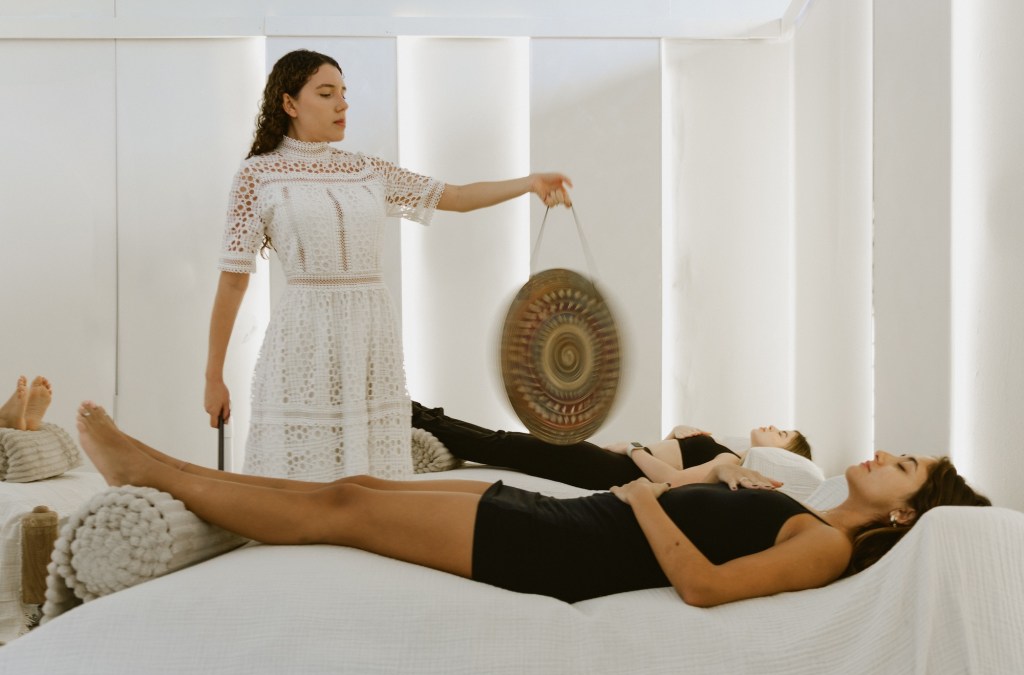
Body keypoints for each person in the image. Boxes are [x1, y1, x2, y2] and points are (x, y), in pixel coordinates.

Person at [76, 399, 990, 605]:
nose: (880, 456)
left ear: (905, 515)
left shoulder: (826, 547)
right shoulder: (800, 505)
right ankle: (161, 466)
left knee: (345, 507)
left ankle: (151, 470)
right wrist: (706, 480)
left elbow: (707, 589)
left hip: (564, 550)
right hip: (562, 524)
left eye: (902, 465)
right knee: (354, 491)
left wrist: (641, 504)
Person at [204, 49, 573, 482]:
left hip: (370, 333)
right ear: (289, 104)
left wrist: (529, 183)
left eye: (344, 93)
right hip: (302, 337)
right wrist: (214, 377)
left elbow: (454, 197)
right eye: (326, 94)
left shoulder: (366, 170)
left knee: (372, 480)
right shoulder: (257, 176)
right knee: (302, 477)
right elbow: (232, 283)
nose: (342, 104)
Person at [412, 401, 812, 490]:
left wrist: (633, 448)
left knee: (508, 445)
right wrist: (679, 430)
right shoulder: (724, 446)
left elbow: (672, 480)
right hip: (610, 463)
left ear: (781, 455)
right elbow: (673, 450)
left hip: (612, 471)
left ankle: (419, 416)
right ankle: (425, 417)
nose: (773, 427)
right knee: (510, 444)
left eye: (782, 434)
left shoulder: (731, 460)